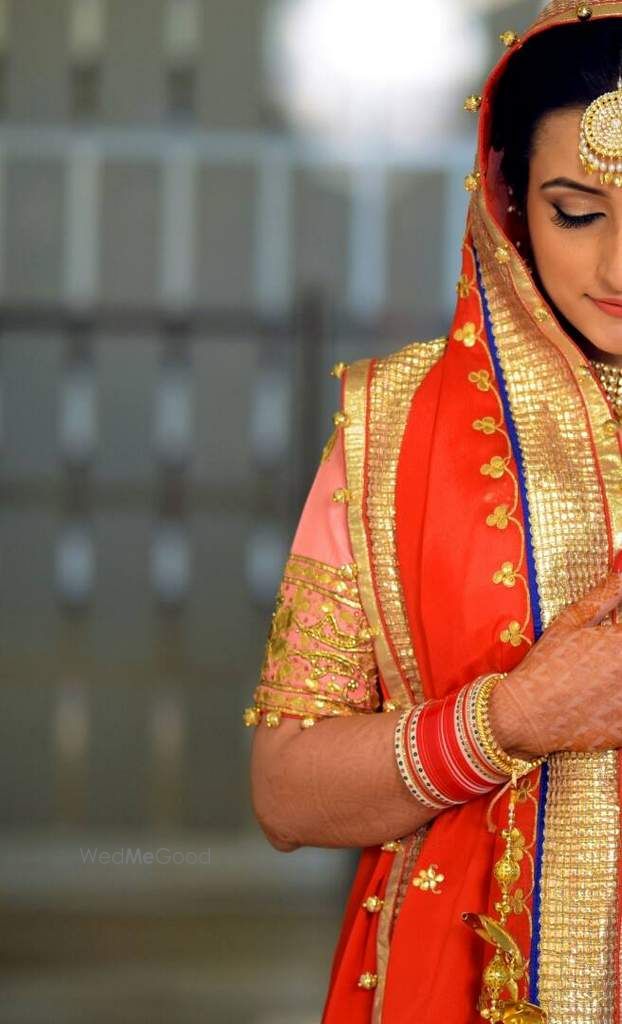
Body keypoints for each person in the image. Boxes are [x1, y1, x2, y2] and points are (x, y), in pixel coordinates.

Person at [243, 3, 622, 1021]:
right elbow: (286, 792)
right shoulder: (394, 432)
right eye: (576, 212)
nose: (618, 267)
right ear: (505, 198)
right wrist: (513, 719)